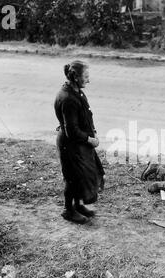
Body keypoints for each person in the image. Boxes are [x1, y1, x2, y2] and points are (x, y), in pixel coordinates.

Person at [54, 60, 105, 224]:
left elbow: (85, 117)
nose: (88, 80)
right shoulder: (68, 98)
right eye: (86, 77)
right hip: (70, 144)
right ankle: (68, 210)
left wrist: (93, 133)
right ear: (76, 78)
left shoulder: (76, 91)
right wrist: (90, 139)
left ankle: (77, 205)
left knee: (81, 175)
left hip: (78, 143)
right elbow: (72, 131)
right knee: (73, 177)